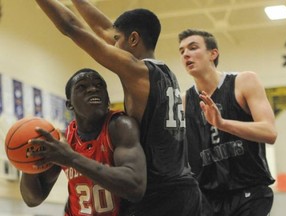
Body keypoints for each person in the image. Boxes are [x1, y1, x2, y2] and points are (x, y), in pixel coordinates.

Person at [34, 1, 201, 216]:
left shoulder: (137, 70)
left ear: (133, 39)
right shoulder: (165, 72)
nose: (112, 46)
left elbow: (71, 27)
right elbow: (105, 30)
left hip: (159, 195)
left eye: (117, 41)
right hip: (185, 189)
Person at [20, 68, 147, 216]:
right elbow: (33, 199)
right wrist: (26, 162)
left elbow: (135, 186)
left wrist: (72, 159)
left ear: (108, 100)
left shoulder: (120, 126)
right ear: (69, 105)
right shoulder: (63, 139)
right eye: (82, 86)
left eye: (99, 86)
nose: (93, 89)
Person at [178, 28, 278, 216]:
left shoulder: (244, 81)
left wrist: (222, 123)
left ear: (213, 53)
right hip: (207, 198)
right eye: (182, 51)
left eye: (192, 47)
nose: (186, 54)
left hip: (249, 192)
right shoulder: (183, 101)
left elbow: (269, 132)